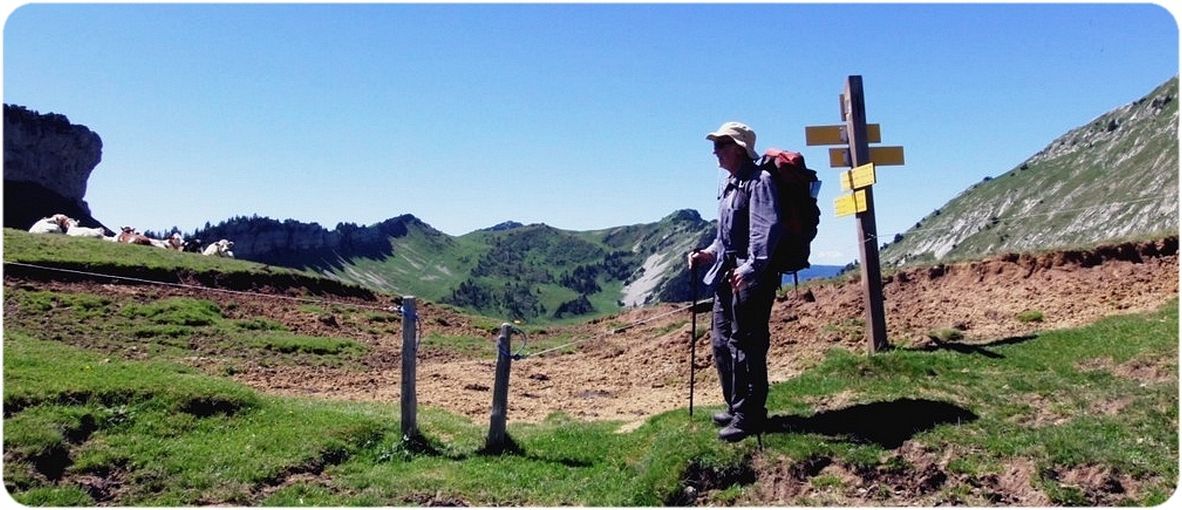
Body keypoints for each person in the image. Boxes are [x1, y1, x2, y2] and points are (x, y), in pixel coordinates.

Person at [688, 121, 782, 442]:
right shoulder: (730, 186)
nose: (715, 152)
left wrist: (750, 269)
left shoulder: (760, 182)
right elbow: (724, 239)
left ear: (739, 149)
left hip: (749, 281)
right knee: (720, 342)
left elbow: (765, 232)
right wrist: (707, 254)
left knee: (746, 346)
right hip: (726, 278)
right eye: (715, 145)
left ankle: (750, 415)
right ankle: (735, 405)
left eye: (721, 146)